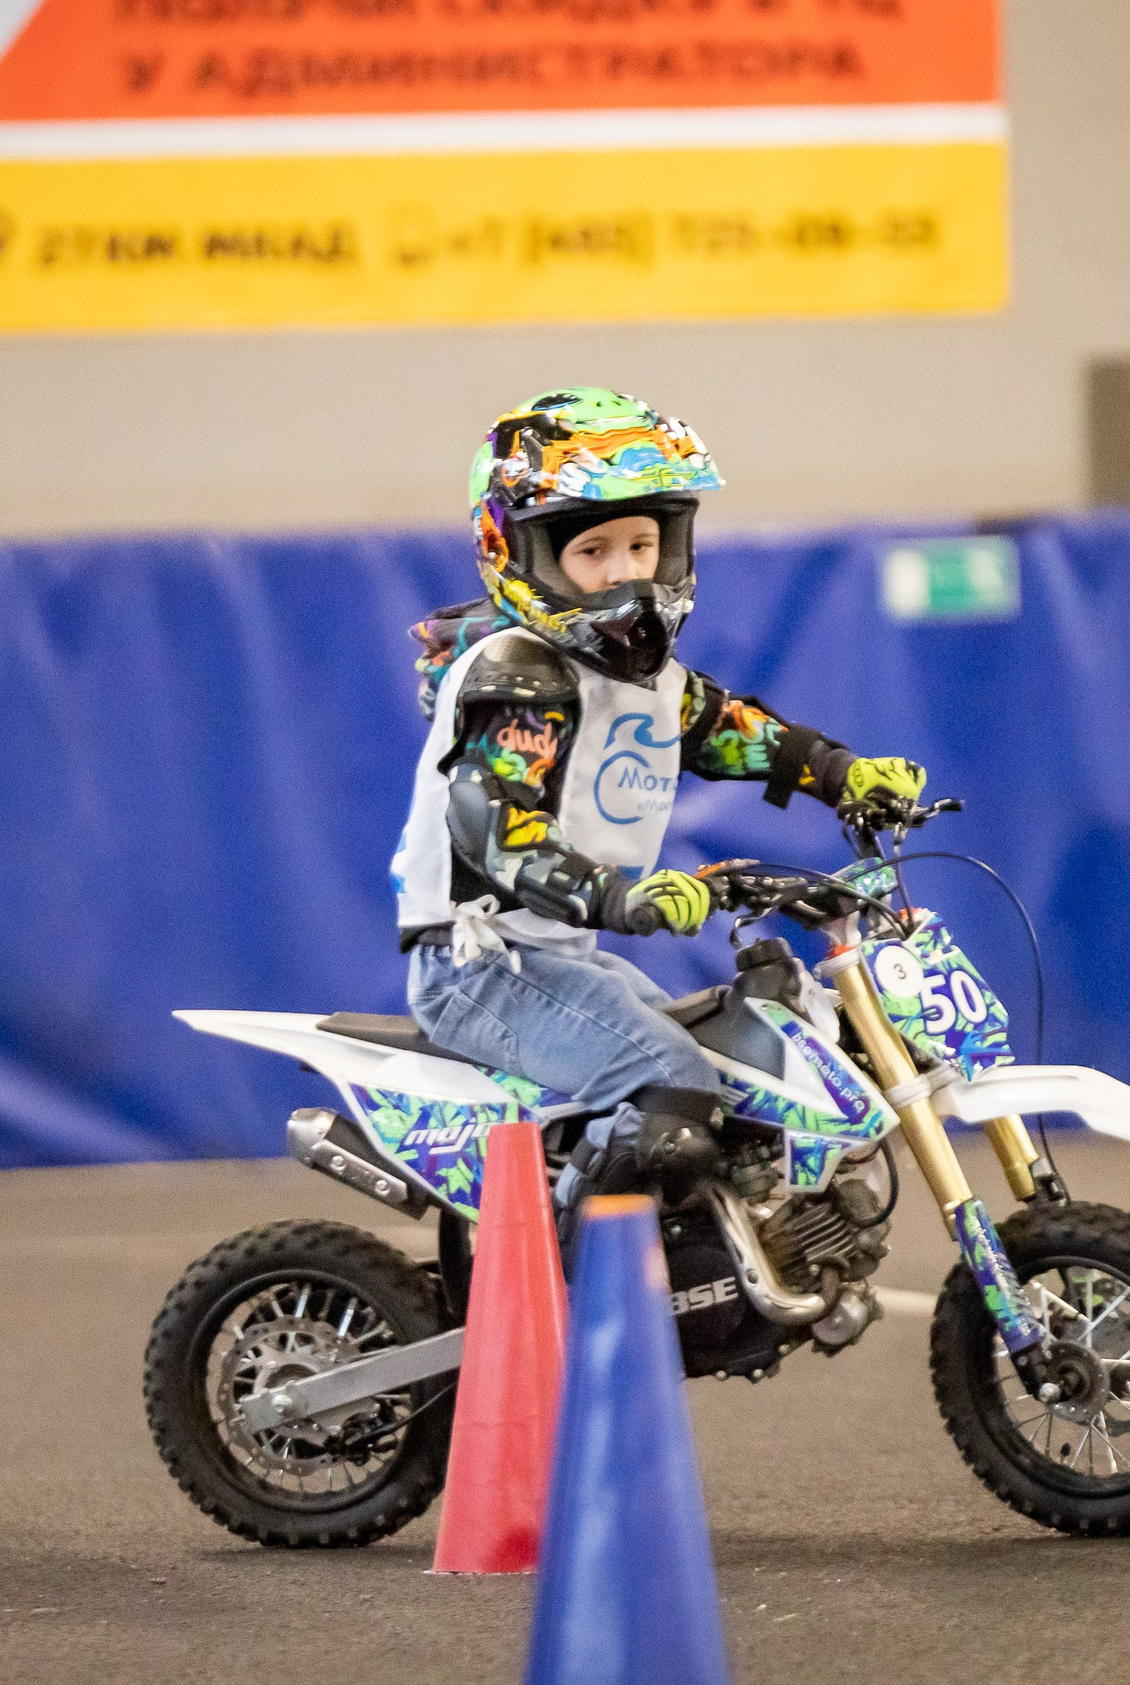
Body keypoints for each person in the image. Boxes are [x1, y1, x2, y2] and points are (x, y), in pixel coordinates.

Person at [389, 387, 927, 1232]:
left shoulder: (640, 681)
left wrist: (839, 770)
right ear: (521, 553)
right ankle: (560, 1290)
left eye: (643, 544)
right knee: (671, 1085)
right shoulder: (519, 677)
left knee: (740, 1058)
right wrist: (622, 896)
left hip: (555, 957)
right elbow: (499, 831)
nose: (625, 573)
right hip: (478, 967)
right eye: (593, 551)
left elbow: (731, 730)